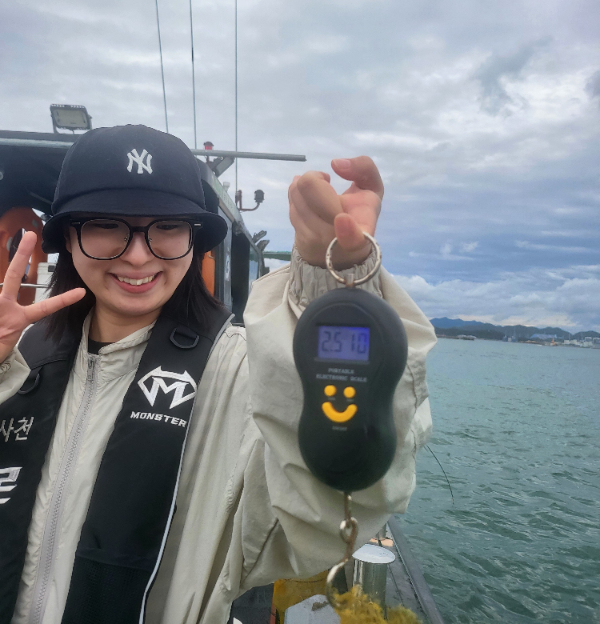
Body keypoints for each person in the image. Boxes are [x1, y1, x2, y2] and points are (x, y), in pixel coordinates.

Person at [0, 125, 436, 624]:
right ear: (67, 237)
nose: (138, 254)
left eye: (168, 226)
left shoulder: (243, 372)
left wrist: (335, 282)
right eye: (104, 224)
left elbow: (327, 510)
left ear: (194, 241)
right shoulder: (14, 358)